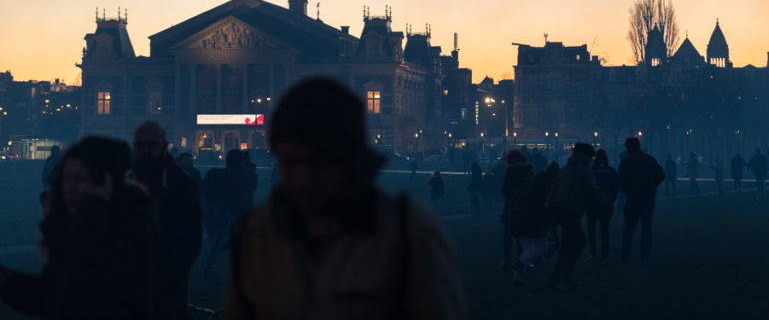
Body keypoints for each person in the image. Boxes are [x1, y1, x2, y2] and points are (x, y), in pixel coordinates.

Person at [227, 77, 466, 319]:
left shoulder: (411, 233)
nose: (302, 179)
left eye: (316, 163)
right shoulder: (254, 233)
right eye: (290, 162)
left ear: (350, 159)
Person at [0, 136, 158, 320]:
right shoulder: (68, 227)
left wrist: (93, 209)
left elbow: (103, 291)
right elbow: (52, 294)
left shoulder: (132, 228)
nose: (71, 188)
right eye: (66, 179)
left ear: (104, 182)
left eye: (81, 179)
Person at [132, 121, 204, 320]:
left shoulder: (183, 185)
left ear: (164, 146)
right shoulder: (128, 181)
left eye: (151, 144)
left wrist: (169, 269)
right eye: (141, 144)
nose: (146, 149)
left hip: (166, 282)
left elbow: (191, 240)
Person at [546, 143, 607, 289]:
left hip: (560, 209)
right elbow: (592, 190)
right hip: (571, 210)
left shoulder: (566, 169)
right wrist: (605, 202)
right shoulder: (584, 170)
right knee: (576, 243)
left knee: (570, 244)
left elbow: (553, 190)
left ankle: (560, 277)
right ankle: (562, 277)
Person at [507, 162, 559, 286]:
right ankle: (519, 266)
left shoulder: (535, 182)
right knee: (542, 246)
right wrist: (548, 220)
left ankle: (518, 277)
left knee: (527, 249)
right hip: (529, 220)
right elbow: (539, 208)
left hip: (518, 219)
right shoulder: (543, 187)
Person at [619, 137, 665, 262]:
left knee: (629, 229)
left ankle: (625, 254)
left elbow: (621, 181)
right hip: (647, 198)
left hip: (632, 198)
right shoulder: (649, 159)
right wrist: (651, 186)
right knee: (646, 227)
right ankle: (645, 255)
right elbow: (661, 175)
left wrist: (628, 190)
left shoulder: (626, 162)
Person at [499, 150, 533, 271]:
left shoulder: (510, 173)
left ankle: (507, 262)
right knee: (521, 237)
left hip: (511, 207)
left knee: (507, 237)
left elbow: (504, 191)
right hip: (524, 207)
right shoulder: (528, 172)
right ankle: (521, 261)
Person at [586, 148, 619, 262]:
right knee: (604, 230)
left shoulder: (590, 171)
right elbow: (616, 187)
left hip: (592, 203)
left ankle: (592, 252)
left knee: (591, 230)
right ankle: (604, 254)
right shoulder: (610, 170)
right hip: (606, 202)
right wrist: (612, 199)